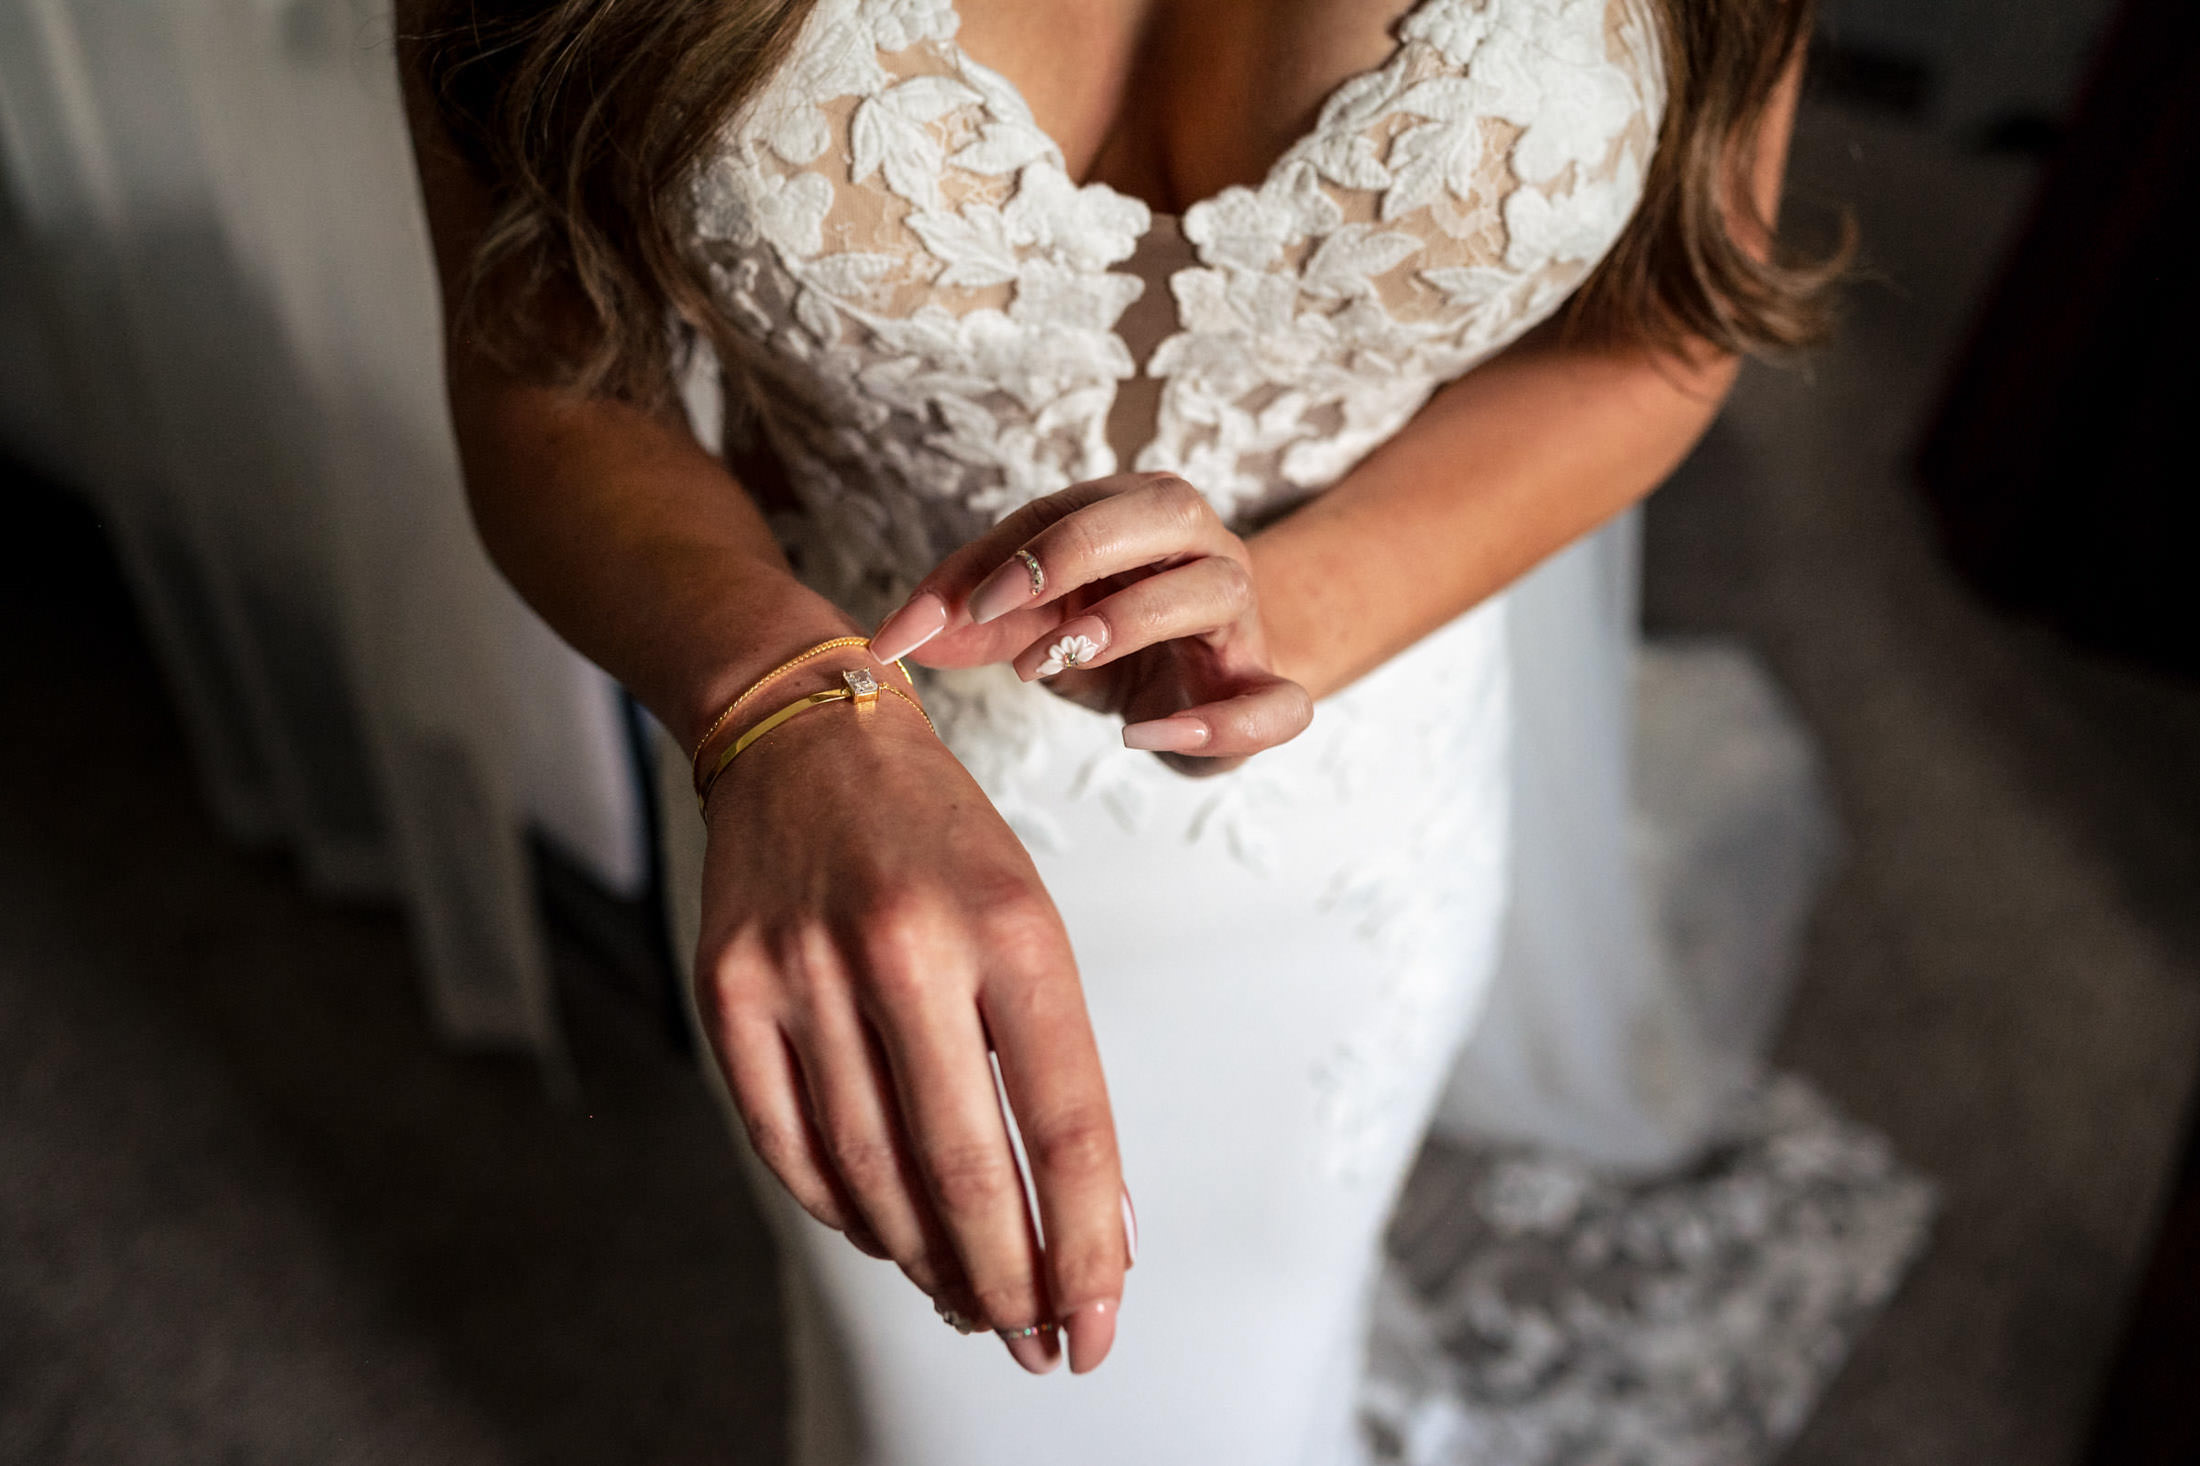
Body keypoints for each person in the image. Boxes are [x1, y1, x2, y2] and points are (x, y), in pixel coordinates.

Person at [396, 0, 1835, 1459]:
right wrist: (781, 706)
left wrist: (1288, 607)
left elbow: (1668, 321)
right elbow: (543, 376)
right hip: (835, 837)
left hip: (1338, 834)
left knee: (1264, 1369)